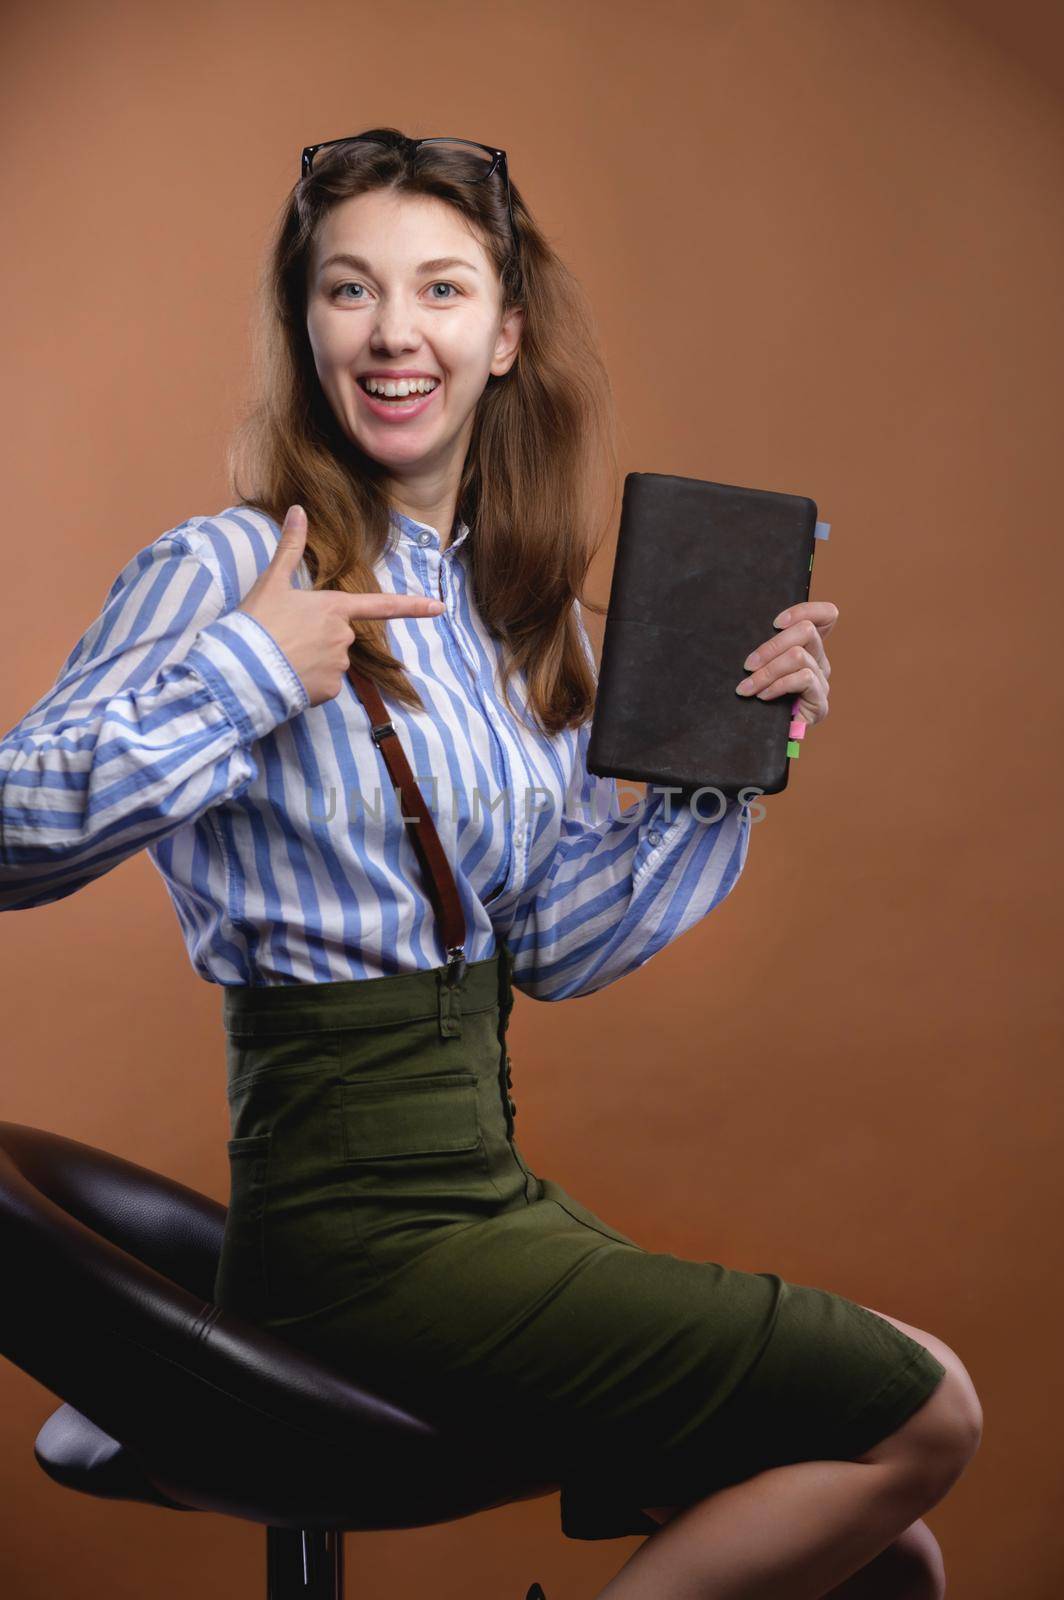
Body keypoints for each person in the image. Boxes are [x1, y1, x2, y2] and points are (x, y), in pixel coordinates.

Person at [0, 129, 980, 1598]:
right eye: (351, 292)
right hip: (354, 1238)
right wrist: (246, 675)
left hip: (485, 1198)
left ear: (504, 333)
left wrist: (720, 772)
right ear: (306, 328)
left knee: (875, 1549)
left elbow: (556, 952)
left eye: (441, 290)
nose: (397, 332)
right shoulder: (223, 571)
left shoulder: (510, 624)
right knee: (927, 1409)